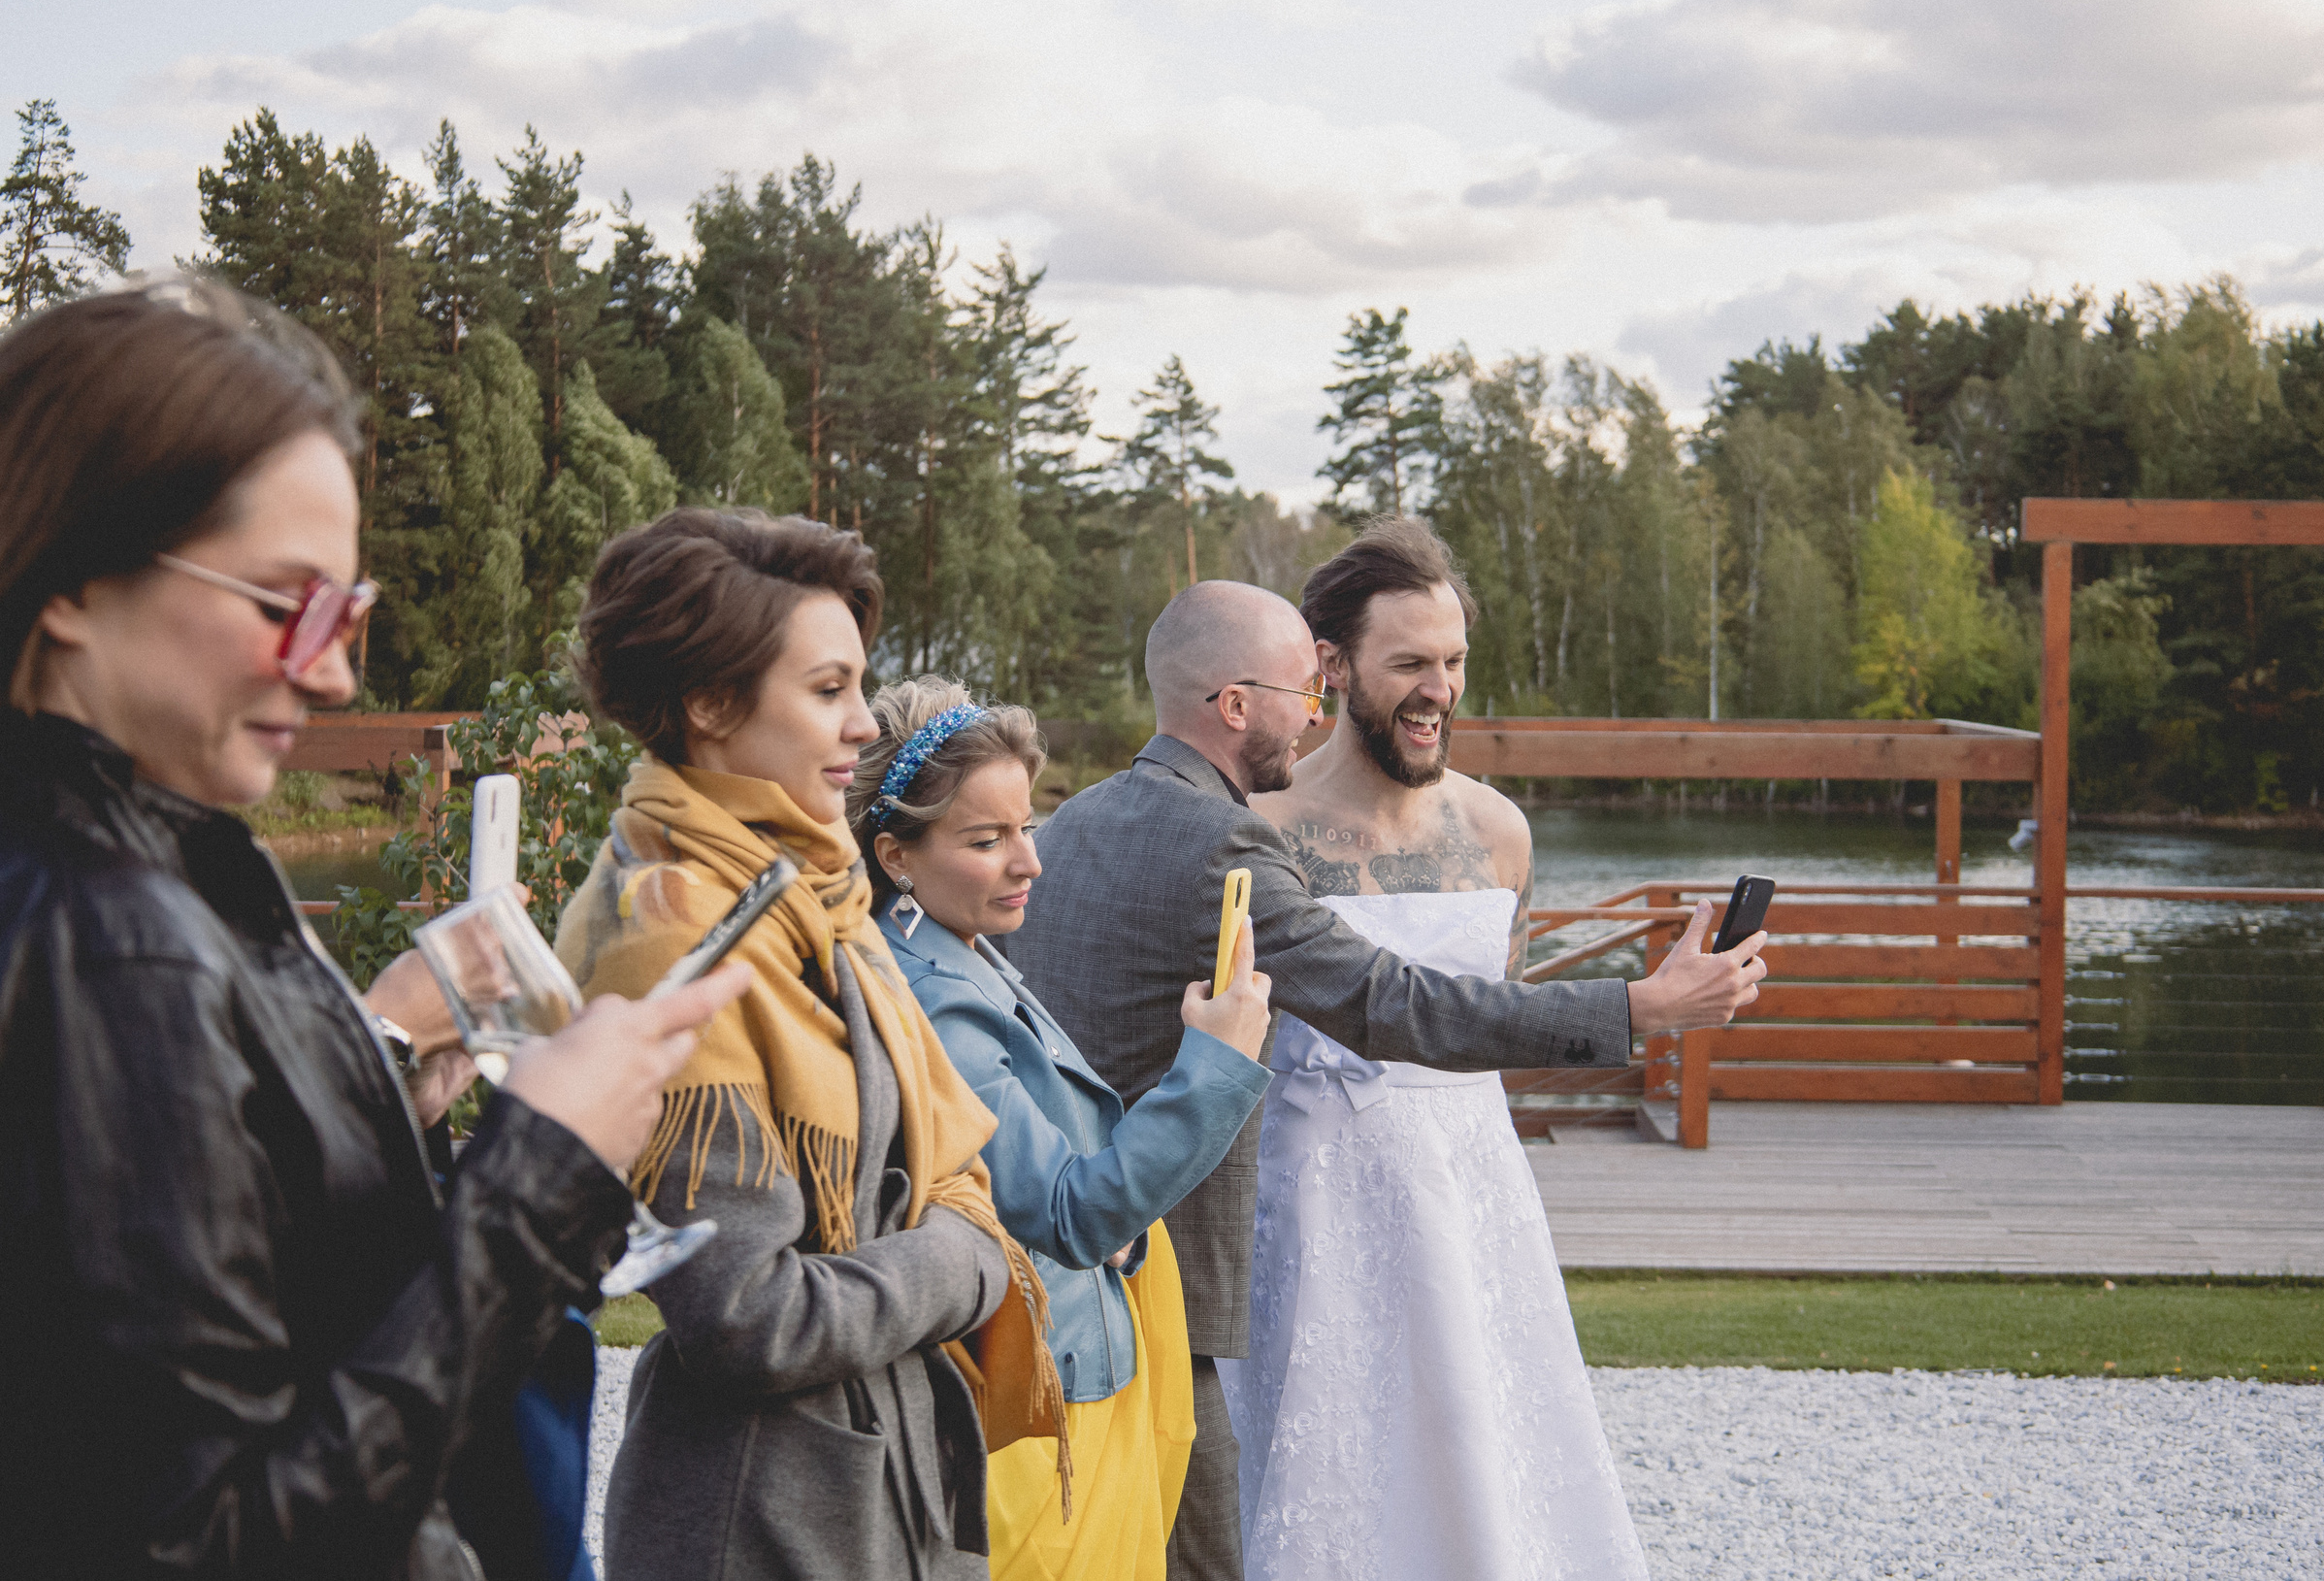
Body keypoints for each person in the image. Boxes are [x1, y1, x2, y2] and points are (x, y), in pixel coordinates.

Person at [0, 277, 751, 1577]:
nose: (338, 668)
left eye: (348, 612)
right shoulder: (113, 935)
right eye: (287, 602)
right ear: (75, 578)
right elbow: (214, 1539)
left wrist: (376, 1076)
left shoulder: (120, 867)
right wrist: (547, 1169)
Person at [1004, 576, 1767, 1580]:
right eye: (1301, 692)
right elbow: (1391, 1003)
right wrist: (1641, 1008)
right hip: (1170, 1247)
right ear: (1236, 706)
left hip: (1073, 1232)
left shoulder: (1077, 822)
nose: (1311, 712)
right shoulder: (1224, 840)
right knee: (1203, 1532)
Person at [560, 509, 1050, 1581]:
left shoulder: (810, 898)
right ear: (710, 704)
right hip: (767, 1517)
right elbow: (748, 1319)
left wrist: (952, 1223)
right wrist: (964, 1261)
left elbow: (948, 1161)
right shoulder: (671, 937)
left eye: (858, 686)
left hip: (882, 1484)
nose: (864, 724)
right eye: (827, 690)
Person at [1226, 518, 1651, 1577]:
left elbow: (1490, 1017)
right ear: (1332, 664)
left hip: (1469, 1195)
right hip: (1306, 1196)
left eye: (1453, 661)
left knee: (1479, 1451)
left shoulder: (1499, 832)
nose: (1439, 689)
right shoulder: (1257, 829)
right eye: (1410, 662)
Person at [855, 676, 1277, 1581]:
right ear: (896, 854)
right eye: (985, 838)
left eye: (1026, 825)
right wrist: (1216, 1060)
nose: (1028, 861)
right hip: (1038, 1419)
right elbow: (1070, 1209)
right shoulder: (935, 998)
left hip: (1072, 1363)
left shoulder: (959, 951)